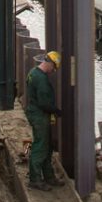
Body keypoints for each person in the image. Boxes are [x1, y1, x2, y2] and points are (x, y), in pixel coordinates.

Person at [24, 50, 62, 190]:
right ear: (50, 63)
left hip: (37, 113)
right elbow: (44, 102)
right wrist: (55, 110)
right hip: (39, 115)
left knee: (47, 146)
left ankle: (49, 176)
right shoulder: (41, 79)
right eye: (54, 67)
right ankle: (35, 179)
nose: (54, 71)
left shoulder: (33, 72)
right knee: (40, 146)